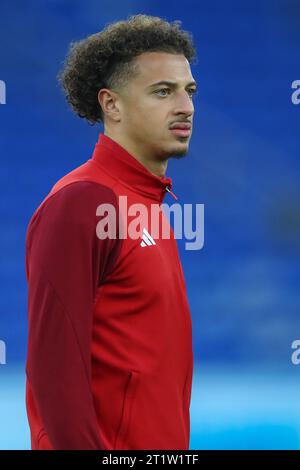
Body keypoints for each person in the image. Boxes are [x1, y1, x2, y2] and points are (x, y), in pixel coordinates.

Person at [25, 14, 197, 450]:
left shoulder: (149, 205)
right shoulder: (82, 203)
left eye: (188, 91)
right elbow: (54, 370)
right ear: (112, 104)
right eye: (163, 91)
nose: (185, 106)